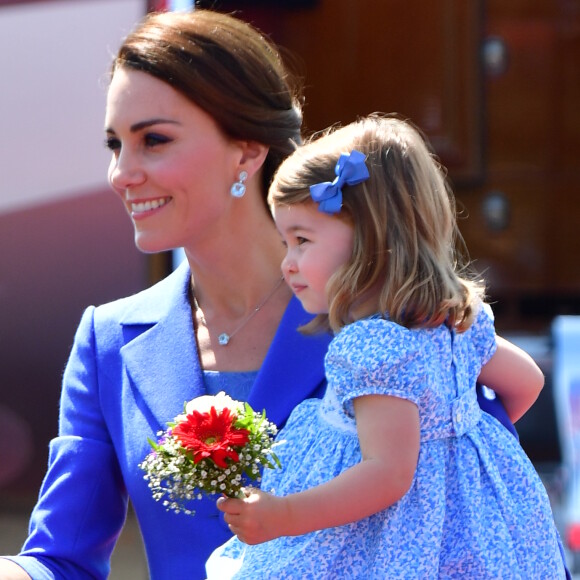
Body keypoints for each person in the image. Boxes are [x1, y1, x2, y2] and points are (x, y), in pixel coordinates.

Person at [0, 10, 518, 580]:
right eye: (114, 145)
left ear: (247, 151)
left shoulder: (392, 313)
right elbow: (60, 559)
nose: (122, 173)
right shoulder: (106, 340)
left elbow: (487, 495)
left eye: (153, 140)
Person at [207, 115, 567, 578]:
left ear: (370, 239)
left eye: (301, 241)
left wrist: (285, 516)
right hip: (474, 532)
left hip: (381, 538)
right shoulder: (454, 320)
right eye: (285, 242)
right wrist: (462, 444)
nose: (288, 263)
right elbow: (528, 382)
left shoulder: (372, 347)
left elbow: (387, 475)